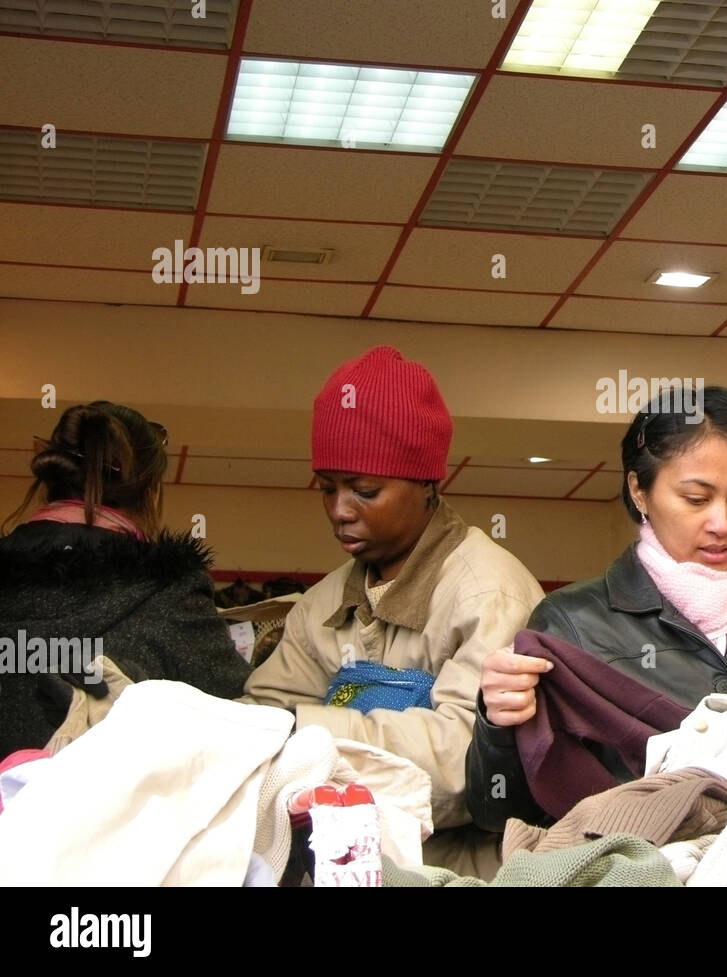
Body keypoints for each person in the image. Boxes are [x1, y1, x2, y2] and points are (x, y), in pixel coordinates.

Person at [466, 384, 727, 831]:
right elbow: (499, 813)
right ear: (639, 491)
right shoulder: (573, 623)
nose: (722, 523)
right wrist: (499, 725)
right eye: (696, 499)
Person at [243, 347, 543, 875]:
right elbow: (259, 725)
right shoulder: (321, 606)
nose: (340, 510)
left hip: (455, 874)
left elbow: (465, 763)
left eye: (365, 490)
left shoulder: (489, 595)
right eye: (327, 488)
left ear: (427, 484)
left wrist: (304, 734)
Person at [0, 401, 251, 757]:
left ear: (52, 483)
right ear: (150, 492)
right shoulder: (169, 590)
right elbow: (241, 719)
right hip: (117, 811)